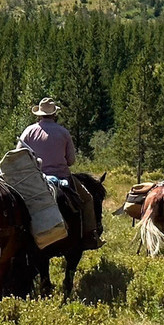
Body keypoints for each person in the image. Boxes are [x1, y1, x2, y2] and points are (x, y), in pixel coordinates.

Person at [18, 97, 102, 249]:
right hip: (62, 177)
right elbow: (70, 161)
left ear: (39, 114)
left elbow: (18, 155)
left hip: (35, 180)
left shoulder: (28, 131)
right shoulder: (63, 132)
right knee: (88, 199)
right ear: (54, 114)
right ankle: (90, 235)